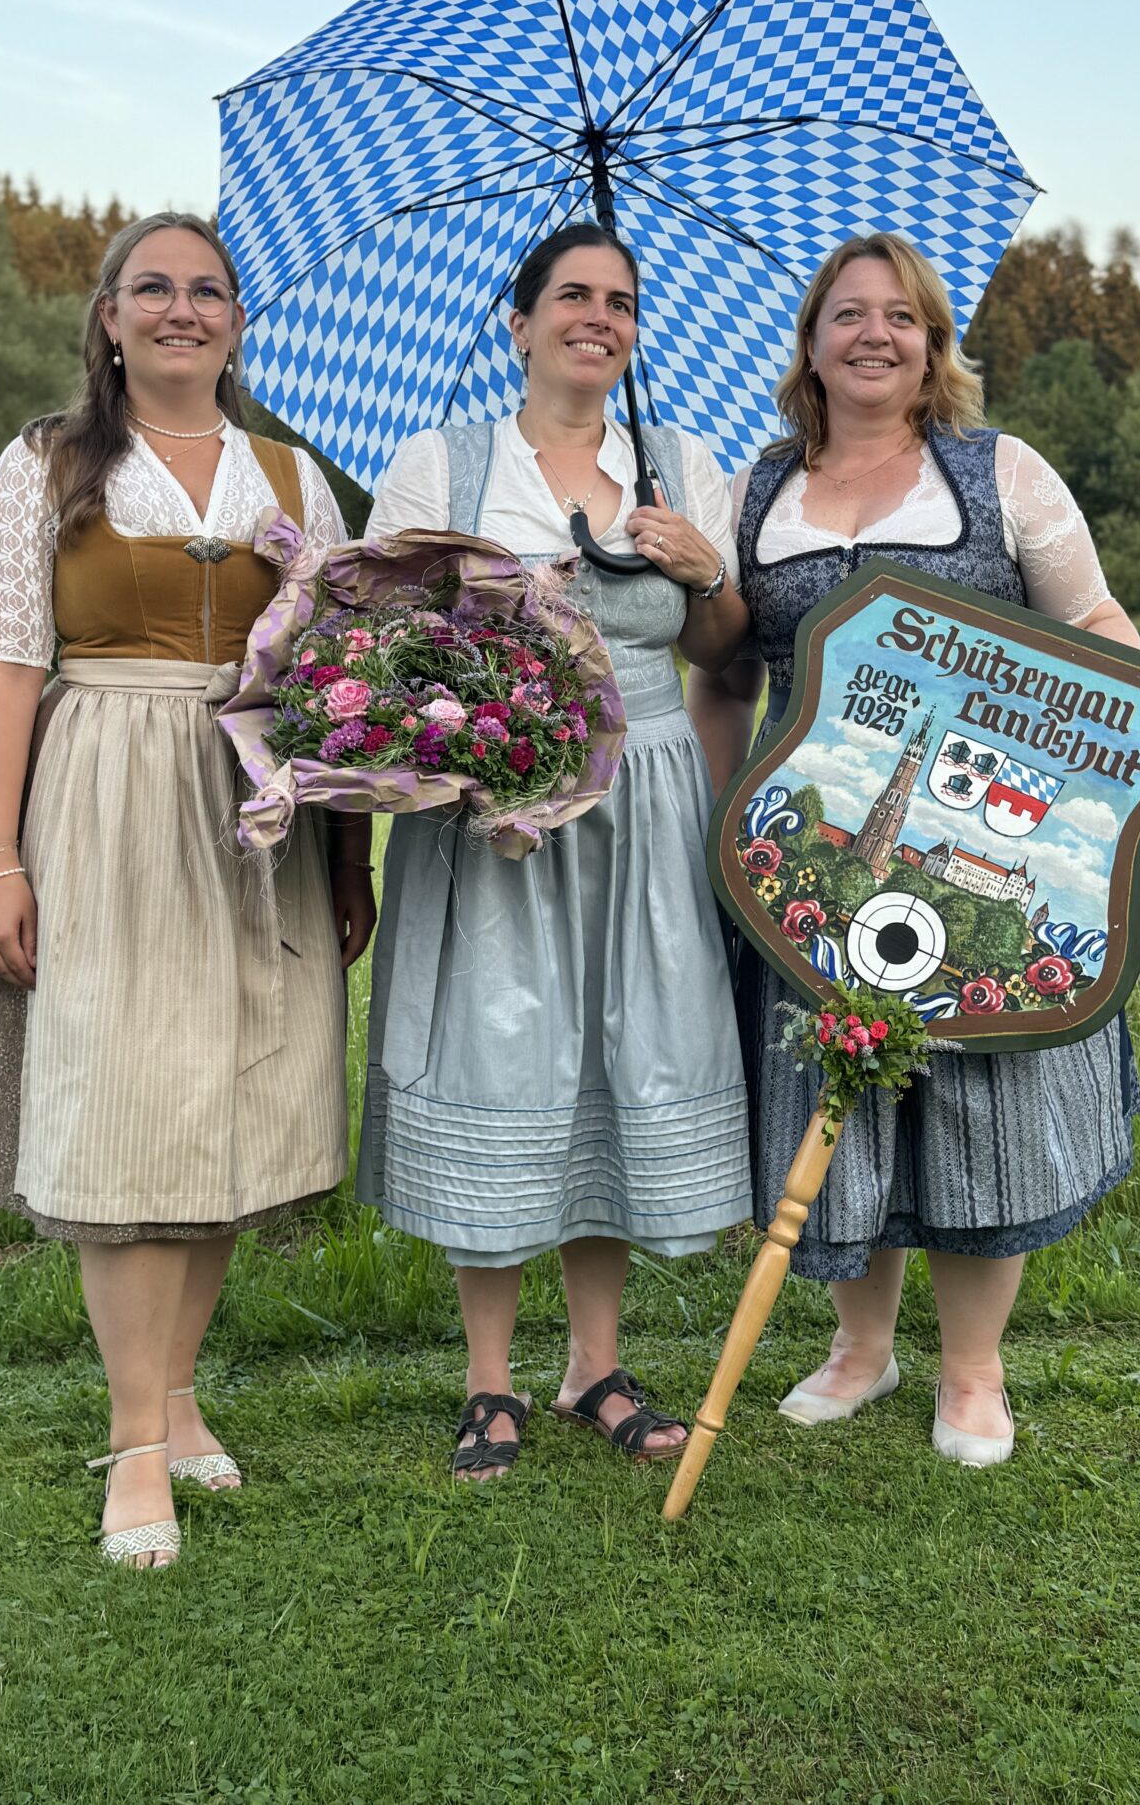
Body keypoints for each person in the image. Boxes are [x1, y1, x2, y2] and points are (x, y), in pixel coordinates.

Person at [689, 233, 1140, 1467]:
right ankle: (861, 1350)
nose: (873, 335)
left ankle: (973, 1374)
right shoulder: (754, 489)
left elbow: (1085, 619)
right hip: (809, 863)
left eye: (901, 318)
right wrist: (732, 825)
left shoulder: (998, 473)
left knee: (979, 1084)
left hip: (982, 833)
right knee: (837, 1088)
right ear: (811, 342)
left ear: (933, 344)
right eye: (847, 315)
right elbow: (720, 670)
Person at [0, 212, 375, 1566]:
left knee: (227, 1098)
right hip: (108, 794)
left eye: (207, 290)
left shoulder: (295, 478)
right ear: (111, 317)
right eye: (155, 288)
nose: (182, 309)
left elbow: (337, 685)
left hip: (256, 811)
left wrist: (348, 849)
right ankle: (135, 1441)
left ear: (238, 321)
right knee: (127, 1097)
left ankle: (179, 1396)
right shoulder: (42, 467)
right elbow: (4, 669)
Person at [358, 222, 753, 1480]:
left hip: (643, 791)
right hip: (495, 804)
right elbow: (381, 633)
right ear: (518, 323)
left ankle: (593, 1366)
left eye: (620, 302)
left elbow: (725, 655)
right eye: (572, 297)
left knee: (613, 1054)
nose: (600, 317)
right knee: (503, 1054)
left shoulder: (681, 463)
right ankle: (488, 1382)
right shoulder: (442, 464)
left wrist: (705, 574)